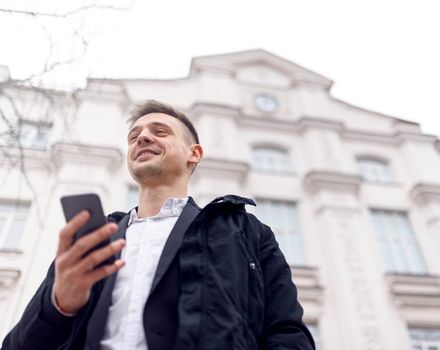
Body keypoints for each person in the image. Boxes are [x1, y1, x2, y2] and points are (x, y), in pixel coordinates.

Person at [2, 100, 315, 349]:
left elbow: (287, 334)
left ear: (195, 154)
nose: (143, 137)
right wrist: (59, 306)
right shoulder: (96, 241)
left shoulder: (244, 232)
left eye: (160, 131)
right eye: (134, 135)